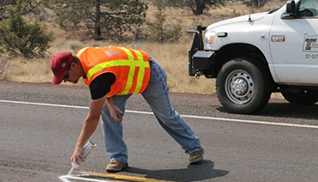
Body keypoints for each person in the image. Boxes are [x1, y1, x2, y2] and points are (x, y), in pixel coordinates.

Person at [50, 46, 204, 173]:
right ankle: (118, 158)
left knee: (166, 115)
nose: (65, 81)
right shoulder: (82, 55)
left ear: (74, 66)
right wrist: (110, 105)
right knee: (107, 112)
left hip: (148, 73)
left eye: (65, 76)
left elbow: (92, 118)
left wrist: (78, 148)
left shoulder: (98, 74)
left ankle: (194, 148)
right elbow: (106, 79)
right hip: (123, 80)